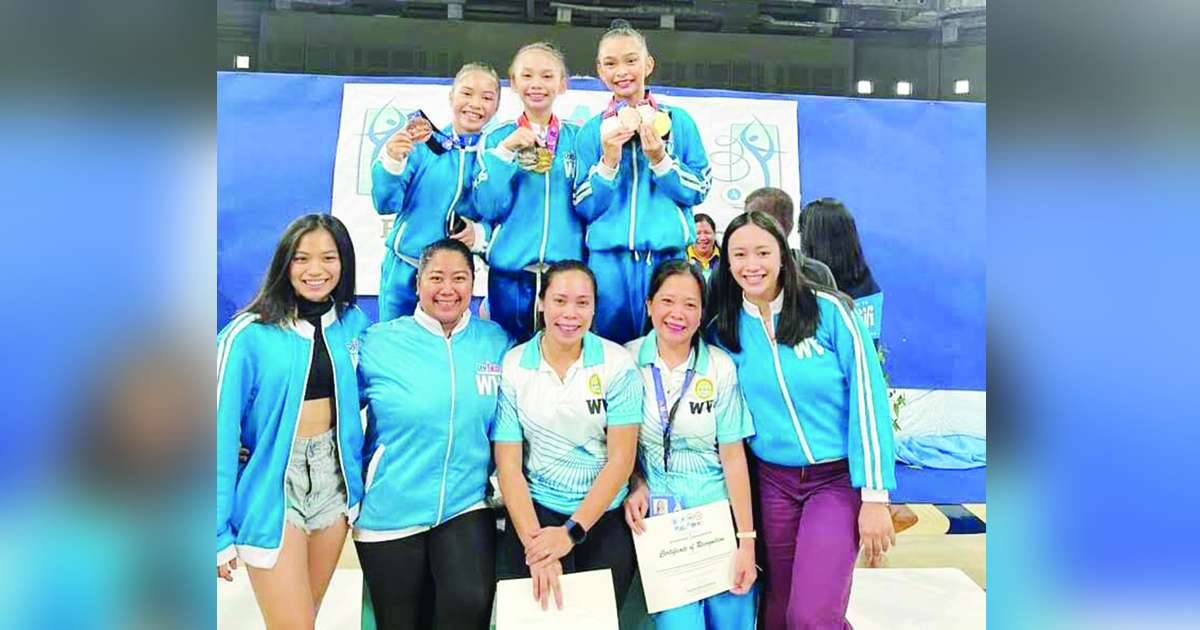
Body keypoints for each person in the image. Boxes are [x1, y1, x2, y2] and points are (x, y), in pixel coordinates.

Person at [708, 211, 896, 629]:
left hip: (835, 480)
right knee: (775, 613)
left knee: (811, 615)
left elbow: (868, 399)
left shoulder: (829, 311)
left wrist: (875, 497)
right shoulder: (724, 329)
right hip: (772, 482)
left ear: (783, 254)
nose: (751, 265)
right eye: (739, 254)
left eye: (762, 252)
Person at [216, 213, 371, 628]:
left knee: (304, 620)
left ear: (344, 264)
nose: (315, 270)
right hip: (272, 487)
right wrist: (213, 530)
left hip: (332, 486)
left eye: (328, 257)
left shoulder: (354, 323)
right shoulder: (247, 334)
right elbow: (215, 431)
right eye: (301, 259)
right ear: (284, 263)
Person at [352, 238, 512, 629]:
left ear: (473, 283)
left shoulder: (496, 342)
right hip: (391, 508)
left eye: (459, 278)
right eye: (436, 277)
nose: (447, 289)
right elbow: (331, 413)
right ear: (418, 282)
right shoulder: (378, 342)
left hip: (466, 503)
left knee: (469, 602)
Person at [492, 261, 644, 610]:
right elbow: (509, 465)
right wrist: (538, 547)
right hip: (535, 512)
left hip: (601, 516)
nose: (570, 314)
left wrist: (572, 533)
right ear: (542, 302)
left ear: (594, 307)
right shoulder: (515, 365)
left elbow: (621, 460)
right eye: (560, 301)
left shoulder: (616, 363)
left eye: (582, 303)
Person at [623, 260, 757, 629]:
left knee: (731, 621)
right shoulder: (625, 362)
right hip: (660, 526)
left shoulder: (719, 367)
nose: (677, 314)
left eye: (690, 304)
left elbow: (733, 457)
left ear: (703, 312)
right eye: (667, 301)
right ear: (649, 305)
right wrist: (636, 483)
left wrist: (745, 541)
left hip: (716, 521)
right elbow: (618, 447)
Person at [573, 19, 711, 343]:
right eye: (610, 63)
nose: (621, 70)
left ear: (648, 64)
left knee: (670, 351)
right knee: (610, 353)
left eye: (631, 60)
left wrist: (660, 160)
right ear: (599, 70)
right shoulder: (591, 131)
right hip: (608, 262)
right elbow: (583, 205)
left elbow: (700, 188)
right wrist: (608, 161)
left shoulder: (679, 122)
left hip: (668, 259)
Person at [372, 62, 501, 322]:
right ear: (451, 96)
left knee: (443, 353)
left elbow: (501, 214)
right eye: (466, 93)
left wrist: (479, 234)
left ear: (496, 107)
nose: (475, 104)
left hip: (450, 284)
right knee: (393, 348)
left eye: (487, 98)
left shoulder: (495, 156)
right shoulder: (422, 145)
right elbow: (385, 203)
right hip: (404, 270)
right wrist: (392, 160)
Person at [475, 42, 584, 343]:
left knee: (562, 361)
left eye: (547, 76)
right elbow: (487, 205)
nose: (537, 84)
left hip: (565, 277)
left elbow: (590, 206)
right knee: (507, 357)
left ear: (562, 84)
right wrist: (507, 152)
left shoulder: (579, 138)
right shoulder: (497, 138)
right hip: (511, 273)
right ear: (513, 82)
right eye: (527, 76)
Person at [743, 187, 837, 290]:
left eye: (756, 221)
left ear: (787, 224)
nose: (747, 227)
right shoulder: (736, 273)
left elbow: (831, 305)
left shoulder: (817, 273)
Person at [686, 213, 721, 284]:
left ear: (714, 234)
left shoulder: (726, 259)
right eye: (698, 233)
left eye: (707, 233)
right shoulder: (682, 259)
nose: (702, 238)